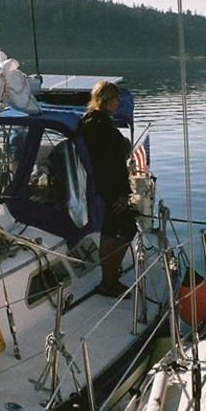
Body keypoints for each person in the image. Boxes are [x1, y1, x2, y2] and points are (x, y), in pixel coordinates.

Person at [80, 80, 135, 297]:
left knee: (111, 231)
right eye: (116, 98)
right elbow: (112, 164)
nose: (119, 102)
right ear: (107, 100)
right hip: (110, 190)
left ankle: (110, 278)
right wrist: (122, 194)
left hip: (99, 187)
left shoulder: (88, 122)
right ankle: (108, 280)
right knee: (123, 230)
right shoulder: (104, 128)